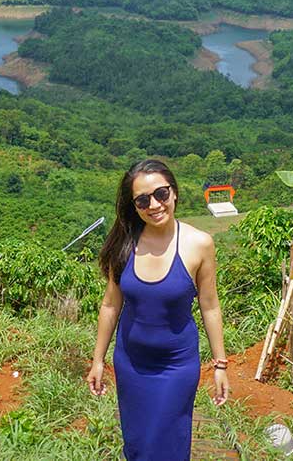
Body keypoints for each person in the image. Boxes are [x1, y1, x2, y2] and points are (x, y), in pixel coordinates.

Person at [87, 158, 230, 460]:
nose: (154, 205)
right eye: (142, 200)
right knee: (138, 445)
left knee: (167, 444)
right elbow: (110, 304)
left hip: (176, 365)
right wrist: (98, 360)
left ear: (174, 192)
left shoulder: (199, 244)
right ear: (134, 206)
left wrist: (220, 365)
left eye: (161, 194)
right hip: (130, 363)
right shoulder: (125, 243)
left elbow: (210, 305)